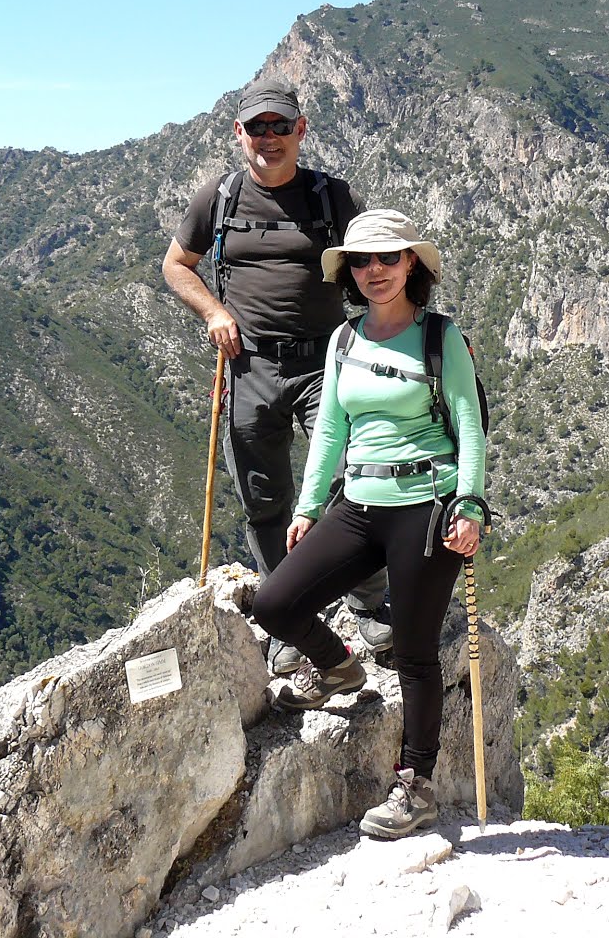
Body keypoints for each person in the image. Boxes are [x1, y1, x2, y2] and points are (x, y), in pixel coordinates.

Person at [250, 209, 487, 839]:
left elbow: (468, 424)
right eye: (361, 261)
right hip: (357, 504)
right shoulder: (344, 341)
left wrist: (470, 505)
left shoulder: (441, 339)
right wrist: (305, 509)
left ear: (412, 263)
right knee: (275, 602)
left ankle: (416, 783)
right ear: (348, 271)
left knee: (412, 652)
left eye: (387, 258)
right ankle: (336, 667)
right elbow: (330, 429)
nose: (374, 271)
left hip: (426, 505)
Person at [163, 75, 389, 672]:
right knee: (264, 497)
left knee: (352, 481)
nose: (269, 138)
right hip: (249, 365)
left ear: (301, 131)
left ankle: (371, 604)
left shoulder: (333, 199)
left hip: (326, 362)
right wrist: (213, 312)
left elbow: (379, 267)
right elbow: (176, 265)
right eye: (257, 127)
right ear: (239, 134)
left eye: (280, 126)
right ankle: (293, 619)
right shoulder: (219, 197)